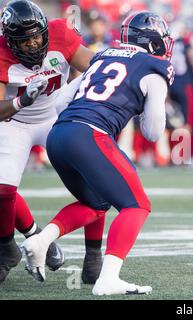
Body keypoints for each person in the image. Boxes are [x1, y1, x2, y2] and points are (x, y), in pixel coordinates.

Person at [20, 11, 174, 295]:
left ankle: (41, 241)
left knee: (97, 204)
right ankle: (109, 278)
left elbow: (60, 103)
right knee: (136, 205)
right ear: (154, 42)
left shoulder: (103, 56)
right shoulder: (154, 70)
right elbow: (152, 132)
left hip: (58, 136)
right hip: (89, 135)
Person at [0, 0, 96, 284]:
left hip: (57, 116)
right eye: (24, 39)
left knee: (92, 181)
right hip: (16, 123)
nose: (33, 43)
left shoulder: (62, 34)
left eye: (37, 35)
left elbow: (95, 68)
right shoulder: (1, 53)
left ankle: (94, 255)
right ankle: (8, 245)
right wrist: (21, 100)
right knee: (3, 189)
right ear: (9, 40)